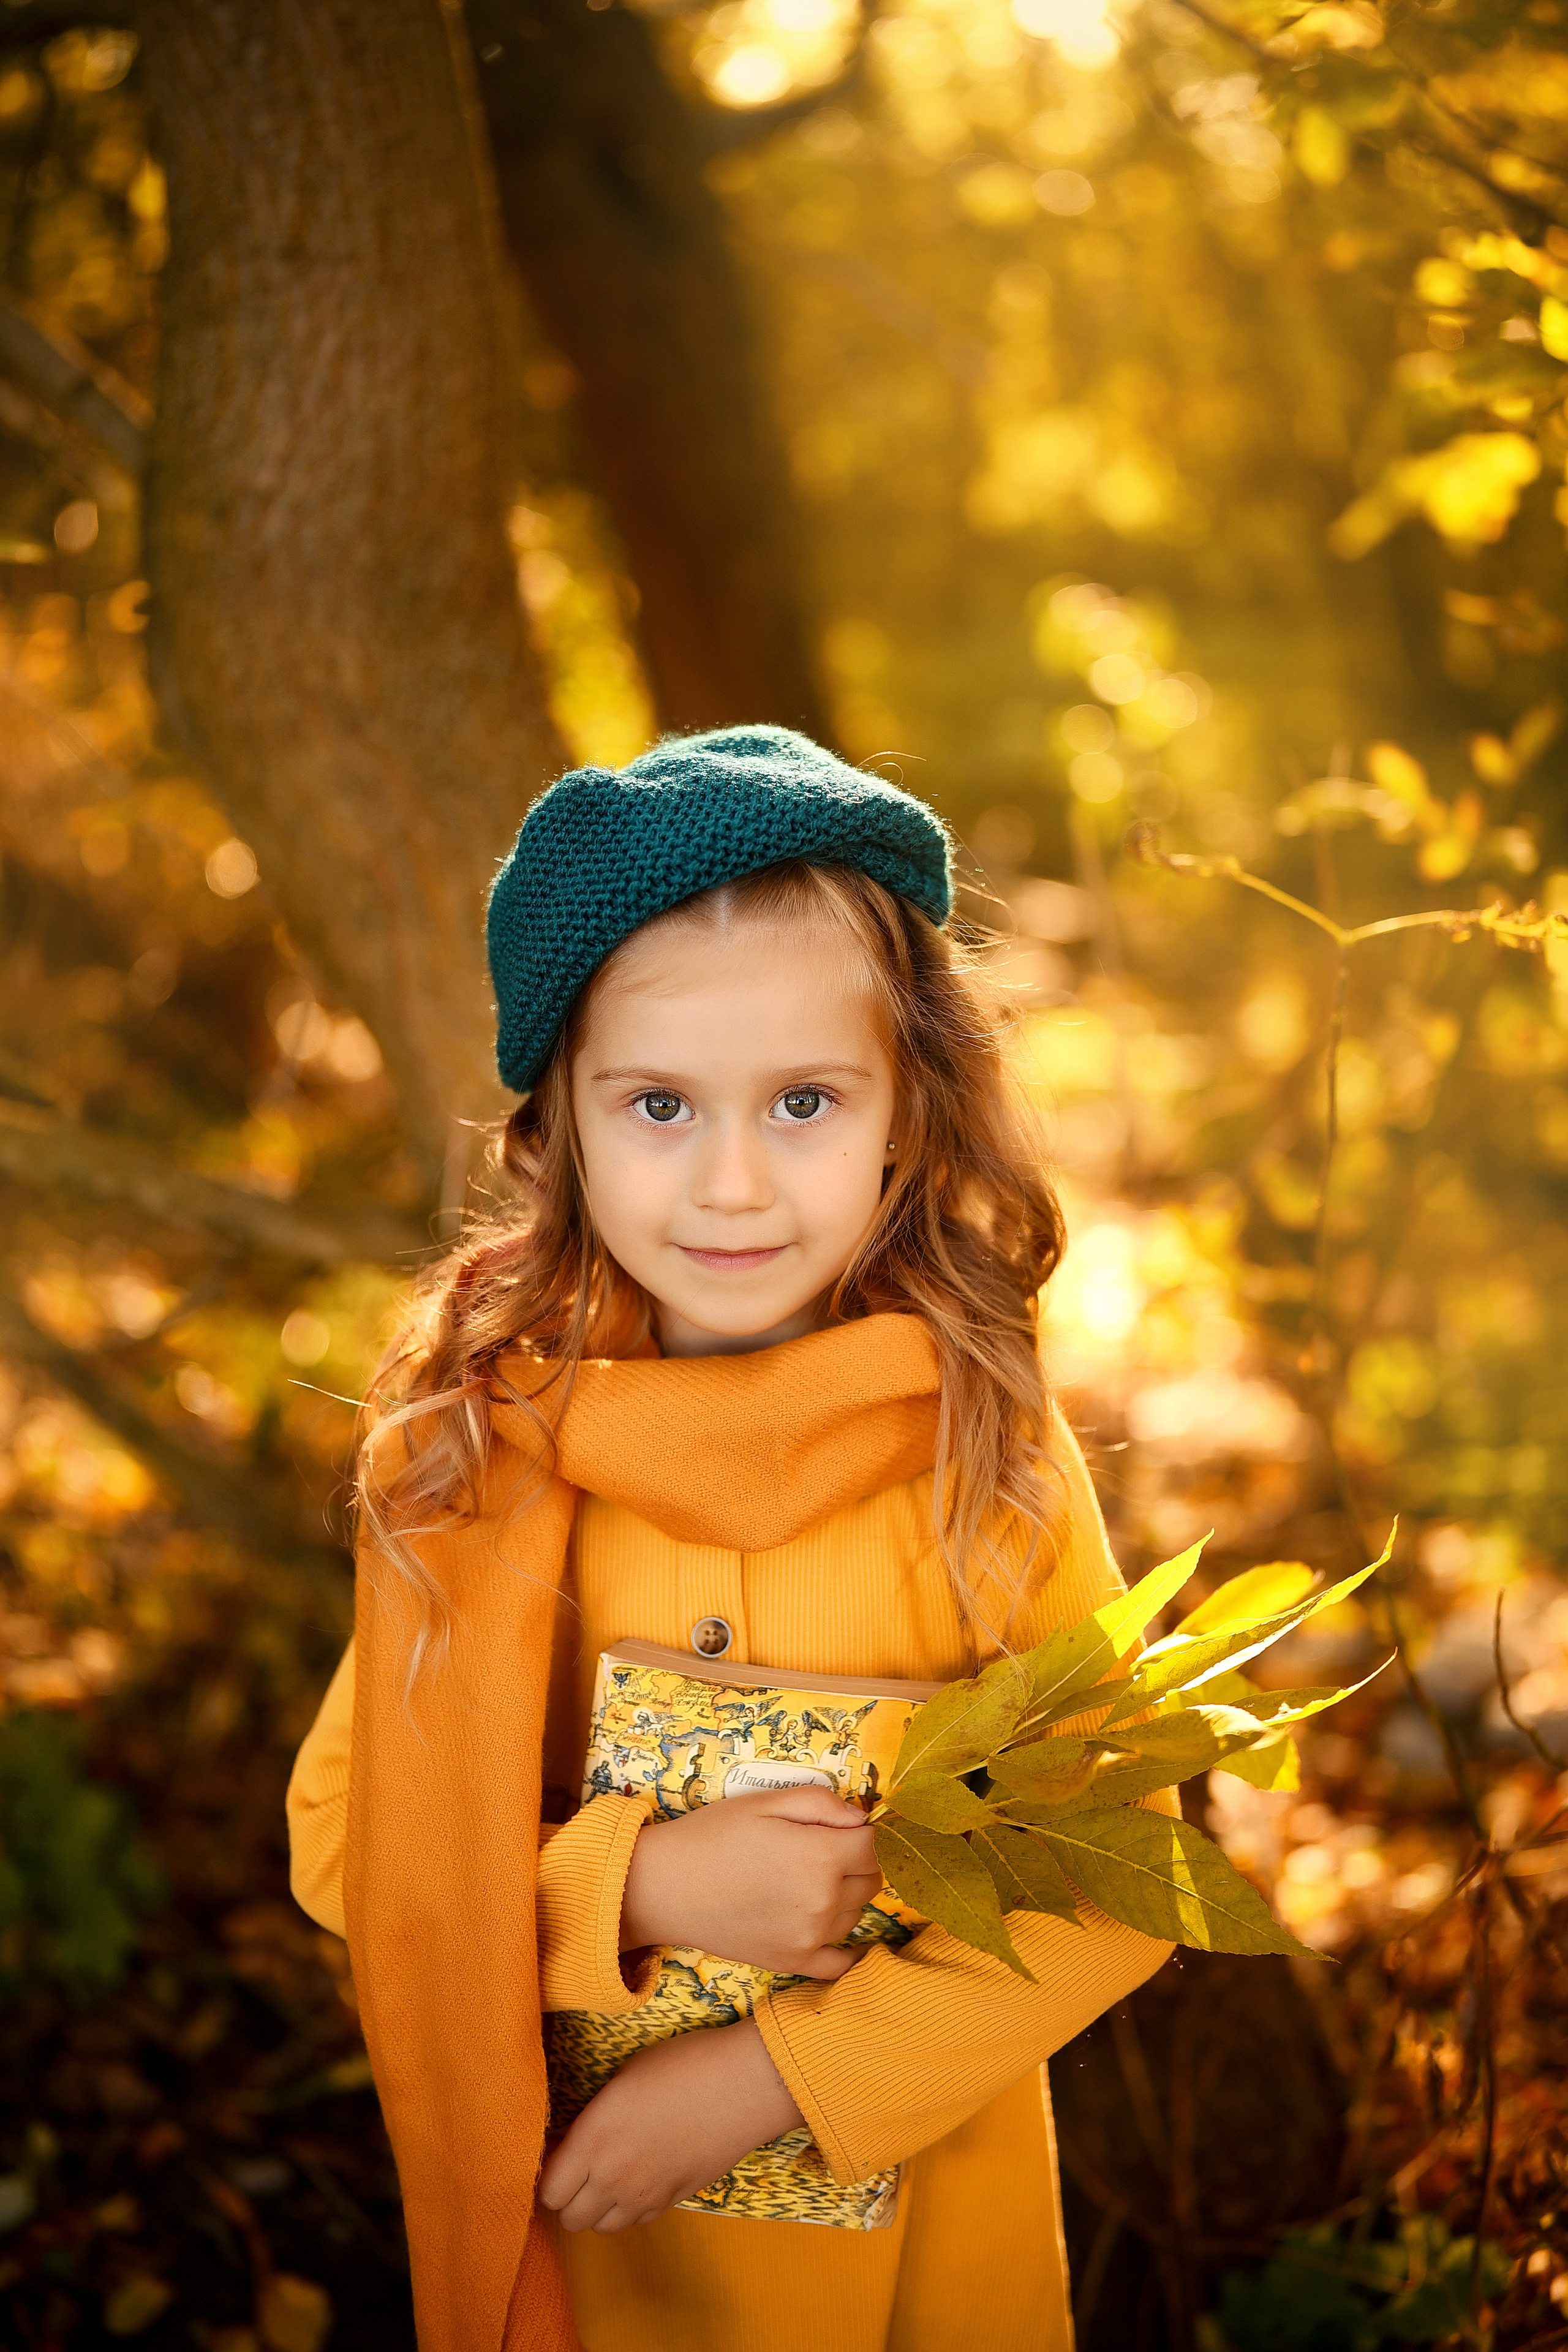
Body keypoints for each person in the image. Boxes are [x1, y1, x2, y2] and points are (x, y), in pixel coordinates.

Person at [286, 725, 1176, 2352]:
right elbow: (352, 1846)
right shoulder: (479, 1461)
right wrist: (639, 1887)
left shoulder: (987, 1449)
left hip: (926, 2279)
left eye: (807, 1100)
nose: (736, 1181)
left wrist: (783, 2070)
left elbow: (1123, 1865)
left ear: (910, 1109)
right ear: (554, 1123)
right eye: (661, 1105)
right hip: (600, 2269)